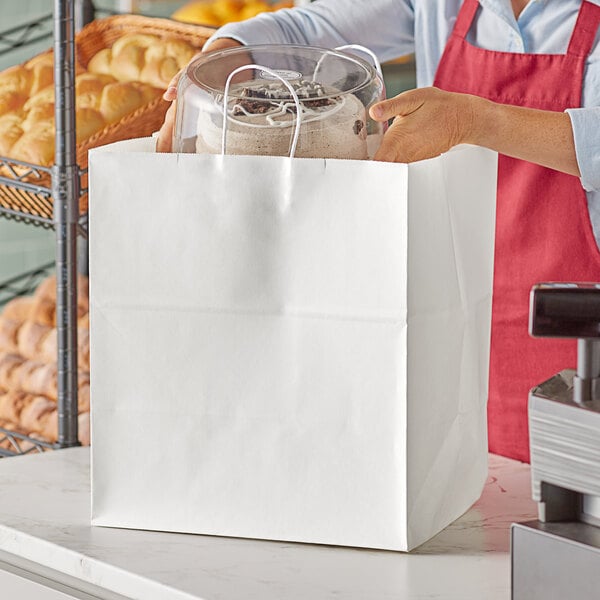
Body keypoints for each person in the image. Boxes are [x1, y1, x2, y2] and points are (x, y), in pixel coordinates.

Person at [157, 0, 600, 463]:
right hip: (455, 324)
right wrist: (222, 60)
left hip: (581, 338)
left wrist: (479, 121)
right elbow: (308, 28)